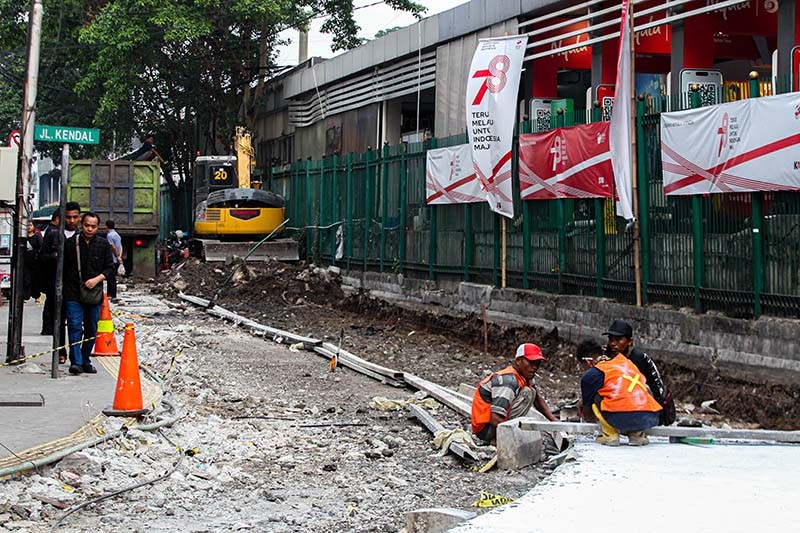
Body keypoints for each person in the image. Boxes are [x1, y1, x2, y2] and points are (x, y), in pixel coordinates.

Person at [577, 339, 662, 446]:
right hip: (648, 417)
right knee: (643, 390)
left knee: (596, 396)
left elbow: (588, 409)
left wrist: (590, 419)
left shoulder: (592, 375)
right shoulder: (627, 363)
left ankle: (610, 435)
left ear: (588, 362)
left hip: (619, 418)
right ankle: (637, 435)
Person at [471, 343, 558, 444]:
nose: (534, 367)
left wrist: (553, 420)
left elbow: (538, 400)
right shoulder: (508, 381)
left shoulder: (526, 376)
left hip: (495, 424)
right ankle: (496, 438)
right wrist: (516, 435)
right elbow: (494, 418)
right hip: (485, 430)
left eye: (537, 363)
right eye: (530, 362)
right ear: (518, 360)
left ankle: (503, 434)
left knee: (531, 391)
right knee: (527, 393)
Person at [63, 212, 114, 375]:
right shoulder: (71, 244)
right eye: (86, 225)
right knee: (74, 326)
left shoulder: (103, 244)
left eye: (93, 226)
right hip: (72, 293)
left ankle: (85, 359)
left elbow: (110, 268)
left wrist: (97, 279)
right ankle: (76, 362)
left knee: (92, 329)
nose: (89, 229)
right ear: (81, 224)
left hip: (94, 294)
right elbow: (62, 267)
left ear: (97, 227)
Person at [603, 319, 676, 426]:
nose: (613, 344)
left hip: (652, 408)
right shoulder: (612, 355)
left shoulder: (638, 359)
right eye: (611, 339)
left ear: (630, 342)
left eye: (618, 339)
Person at [23, 222, 42, 301]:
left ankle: (36, 296)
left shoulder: (37, 237)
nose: (28, 227)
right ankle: (25, 295)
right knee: (26, 280)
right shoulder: (23, 238)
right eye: (27, 225)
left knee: (35, 279)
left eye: (30, 225)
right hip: (25, 263)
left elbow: (41, 247)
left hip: (35, 262)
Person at [105, 220, 123, 301]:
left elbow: (113, 247)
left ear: (106, 226)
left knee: (110, 278)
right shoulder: (117, 235)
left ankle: (111, 295)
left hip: (112, 259)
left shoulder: (109, 235)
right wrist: (120, 256)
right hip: (116, 259)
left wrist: (116, 256)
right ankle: (112, 294)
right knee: (112, 278)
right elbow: (120, 246)